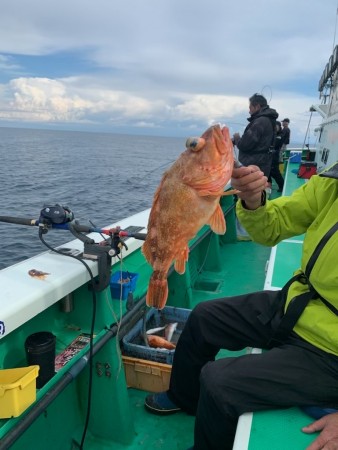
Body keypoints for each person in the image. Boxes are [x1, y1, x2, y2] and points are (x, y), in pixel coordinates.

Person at [144, 162, 338, 450]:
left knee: (219, 382)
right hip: (298, 304)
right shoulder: (332, 181)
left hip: (329, 352)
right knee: (204, 317)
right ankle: (183, 397)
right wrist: (253, 201)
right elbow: (274, 226)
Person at [236, 93, 278, 177]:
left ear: (257, 106)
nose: (249, 111)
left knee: (251, 188)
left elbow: (244, 144)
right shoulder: (268, 119)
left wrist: (237, 138)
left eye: (250, 107)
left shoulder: (260, 121)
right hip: (263, 164)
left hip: (254, 166)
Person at [268, 120, 284, 192]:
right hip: (268, 157)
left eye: (276, 126)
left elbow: (276, 144)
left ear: (279, 127)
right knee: (268, 172)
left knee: (276, 173)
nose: (275, 128)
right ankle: (269, 187)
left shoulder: (280, 136)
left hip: (274, 157)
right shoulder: (271, 135)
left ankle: (282, 186)